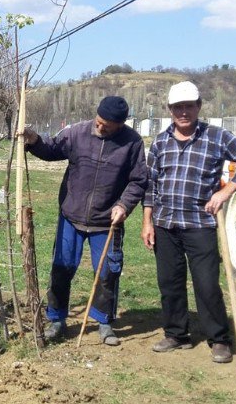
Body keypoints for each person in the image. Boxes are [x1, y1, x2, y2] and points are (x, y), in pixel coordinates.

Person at [141, 81, 236, 364]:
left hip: (200, 223)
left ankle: (219, 339)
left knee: (207, 284)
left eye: (189, 106)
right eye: (178, 107)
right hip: (165, 223)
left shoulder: (217, 137)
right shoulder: (160, 142)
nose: (183, 112)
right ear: (170, 110)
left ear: (198, 107)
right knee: (169, 283)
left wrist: (225, 191)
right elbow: (150, 185)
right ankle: (176, 334)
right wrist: (147, 222)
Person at [23, 95, 148, 346]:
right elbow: (51, 150)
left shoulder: (132, 143)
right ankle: (56, 319)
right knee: (62, 267)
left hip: (107, 221)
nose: (100, 127)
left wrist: (124, 205)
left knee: (107, 272)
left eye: (107, 125)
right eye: (99, 121)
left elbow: (138, 181)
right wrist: (34, 140)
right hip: (72, 216)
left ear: (121, 125)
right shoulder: (77, 133)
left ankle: (104, 322)